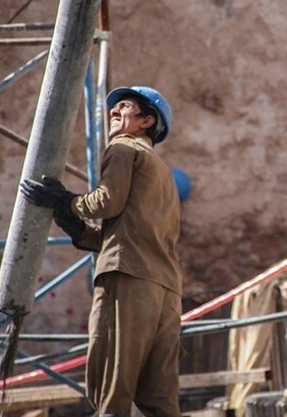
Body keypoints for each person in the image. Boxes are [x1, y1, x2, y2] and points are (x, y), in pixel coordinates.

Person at [20, 86, 183, 417]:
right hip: (166, 292)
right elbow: (132, 234)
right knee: (160, 401)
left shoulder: (124, 147)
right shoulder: (163, 173)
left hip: (128, 280)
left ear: (146, 121)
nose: (114, 110)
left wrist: (67, 202)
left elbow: (106, 202)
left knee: (111, 388)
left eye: (124, 106)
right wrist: (75, 225)